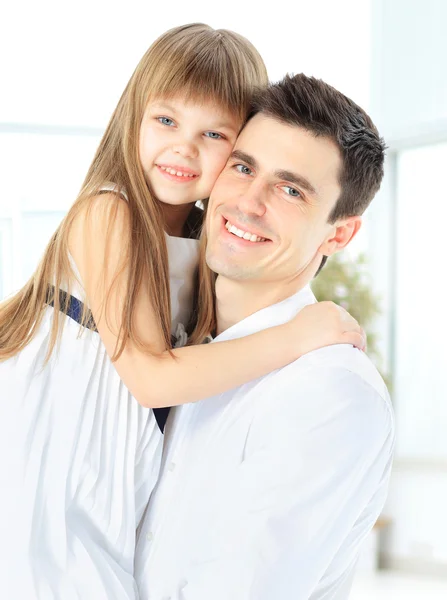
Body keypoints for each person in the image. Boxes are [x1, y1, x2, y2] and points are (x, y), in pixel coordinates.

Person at [0, 25, 364, 599]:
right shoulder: (109, 212)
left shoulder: (206, 246)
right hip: (55, 466)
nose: (184, 148)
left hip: (112, 480)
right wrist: (297, 337)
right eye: (166, 120)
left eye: (213, 133)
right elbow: (151, 378)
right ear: (135, 116)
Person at [134, 74, 395, 600]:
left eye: (291, 189)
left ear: (338, 233)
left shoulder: (329, 392)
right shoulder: (179, 353)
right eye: (243, 167)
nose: (248, 202)